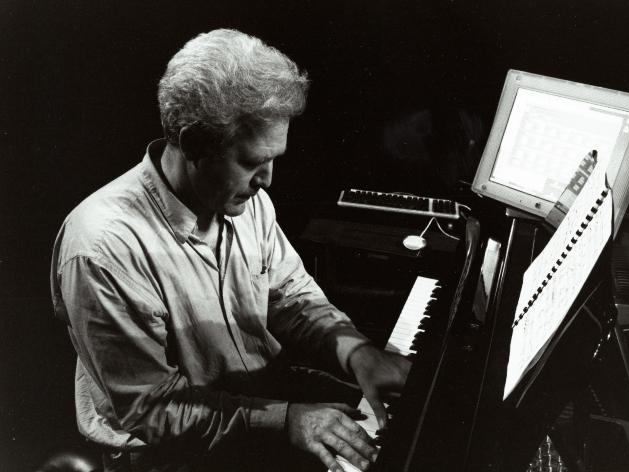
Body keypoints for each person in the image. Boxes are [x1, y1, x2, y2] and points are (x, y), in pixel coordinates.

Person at [50, 29, 410, 472]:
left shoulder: (246, 200)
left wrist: (357, 353)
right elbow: (153, 410)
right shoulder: (102, 248)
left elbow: (290, 296)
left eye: (274, 159)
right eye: (253, 162)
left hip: (265, 401)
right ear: (195, 144)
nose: (268, 181)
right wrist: (289, 421)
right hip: (172, 453)